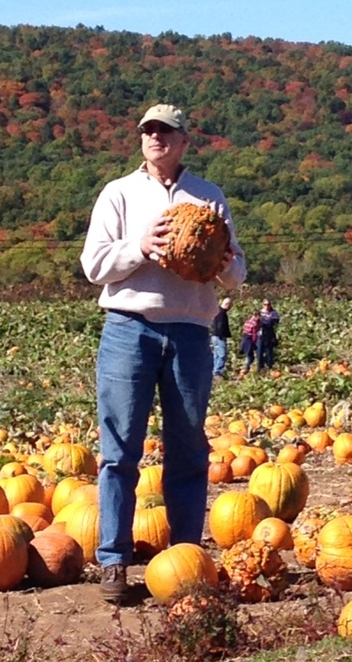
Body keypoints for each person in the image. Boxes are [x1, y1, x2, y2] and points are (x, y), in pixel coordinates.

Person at [80, 103, 246, 603]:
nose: (156, 137)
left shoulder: (208, 196)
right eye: (148, 130)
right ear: (141, 140)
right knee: (119, 449)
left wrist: (220, 259)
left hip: (191, 333)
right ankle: (114, 559)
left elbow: (236, 275)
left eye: (166, 131)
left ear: (183, 141)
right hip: (128, 329)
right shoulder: (118, 194)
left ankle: (185, 558)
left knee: (189, 449)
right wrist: (140, 246)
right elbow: (94, 265)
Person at [210, 297, 233, 379]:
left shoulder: (217, 311)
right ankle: (217, 372)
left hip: (214, 335)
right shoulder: (222, 314)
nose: (230, 308)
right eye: (230, 306)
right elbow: (220, 325)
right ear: (227, 304)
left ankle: (213, 371)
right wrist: (221, 334)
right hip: (219, 336)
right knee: (222, 354)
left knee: (216, 354)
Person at [257, 299, 280, 371]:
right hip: (260, 335)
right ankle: (260, 368)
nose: (266, 306)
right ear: (262, 305)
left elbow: (274, 321)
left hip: (269, 335)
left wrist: (263, 320)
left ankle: (270, 367)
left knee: (269, 352)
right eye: (265, 304)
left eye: (268, 304)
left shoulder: (273, 313)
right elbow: (255, 320)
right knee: (259, 352)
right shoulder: (259, 312)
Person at [239, 309, 261, 374]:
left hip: (245, 338)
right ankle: (246, 368)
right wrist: (254, 342)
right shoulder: (254, 323)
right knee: (251, 357)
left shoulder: (247, 321)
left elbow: (244, 330)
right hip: (249, 339)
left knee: (249, 355)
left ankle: (246, 368)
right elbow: (254, 334)